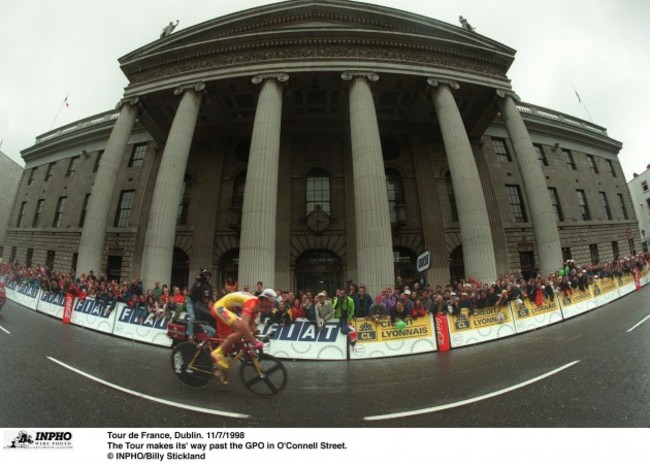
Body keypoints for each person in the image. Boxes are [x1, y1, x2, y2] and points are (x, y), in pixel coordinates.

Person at [210, 288, 278, 369]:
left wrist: (260, 335)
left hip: (226, 309)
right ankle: (217, 353)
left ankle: (217, 368)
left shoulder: (257, 309)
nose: (272, 306)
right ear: (265, 300)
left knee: (227, 348)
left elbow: (251, 325)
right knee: (241, 330)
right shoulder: (252, 303)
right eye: (272, 303)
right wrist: (254, 342)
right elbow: (244, 325)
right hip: (220, 307)